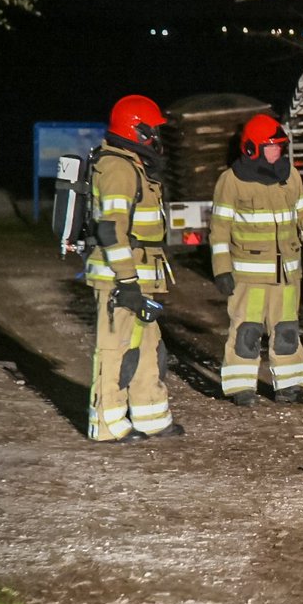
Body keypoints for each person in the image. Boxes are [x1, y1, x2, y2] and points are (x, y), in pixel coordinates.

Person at [209, 114, 303, 406]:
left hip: (286, 275)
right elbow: (219, 229)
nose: (277, 151)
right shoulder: (231, 181)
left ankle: (290, 386)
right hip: (249, 277)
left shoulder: (290, 176)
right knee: (247, 331)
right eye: (271, 146)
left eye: (279, 146)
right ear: (252, 148)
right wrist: (222, 270)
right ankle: (241, 387)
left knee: (287, 330)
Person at [85, 95, 184, 442]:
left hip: (139, 276)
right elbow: (111, 230)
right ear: (137, 131)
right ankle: (107, 424)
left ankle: (151, 418)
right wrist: (127, 281)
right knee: (115, 350)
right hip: (119, 278)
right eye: (153, 130)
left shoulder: (134, 165)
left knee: (147, 349)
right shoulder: (118, 168)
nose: (157, 137)